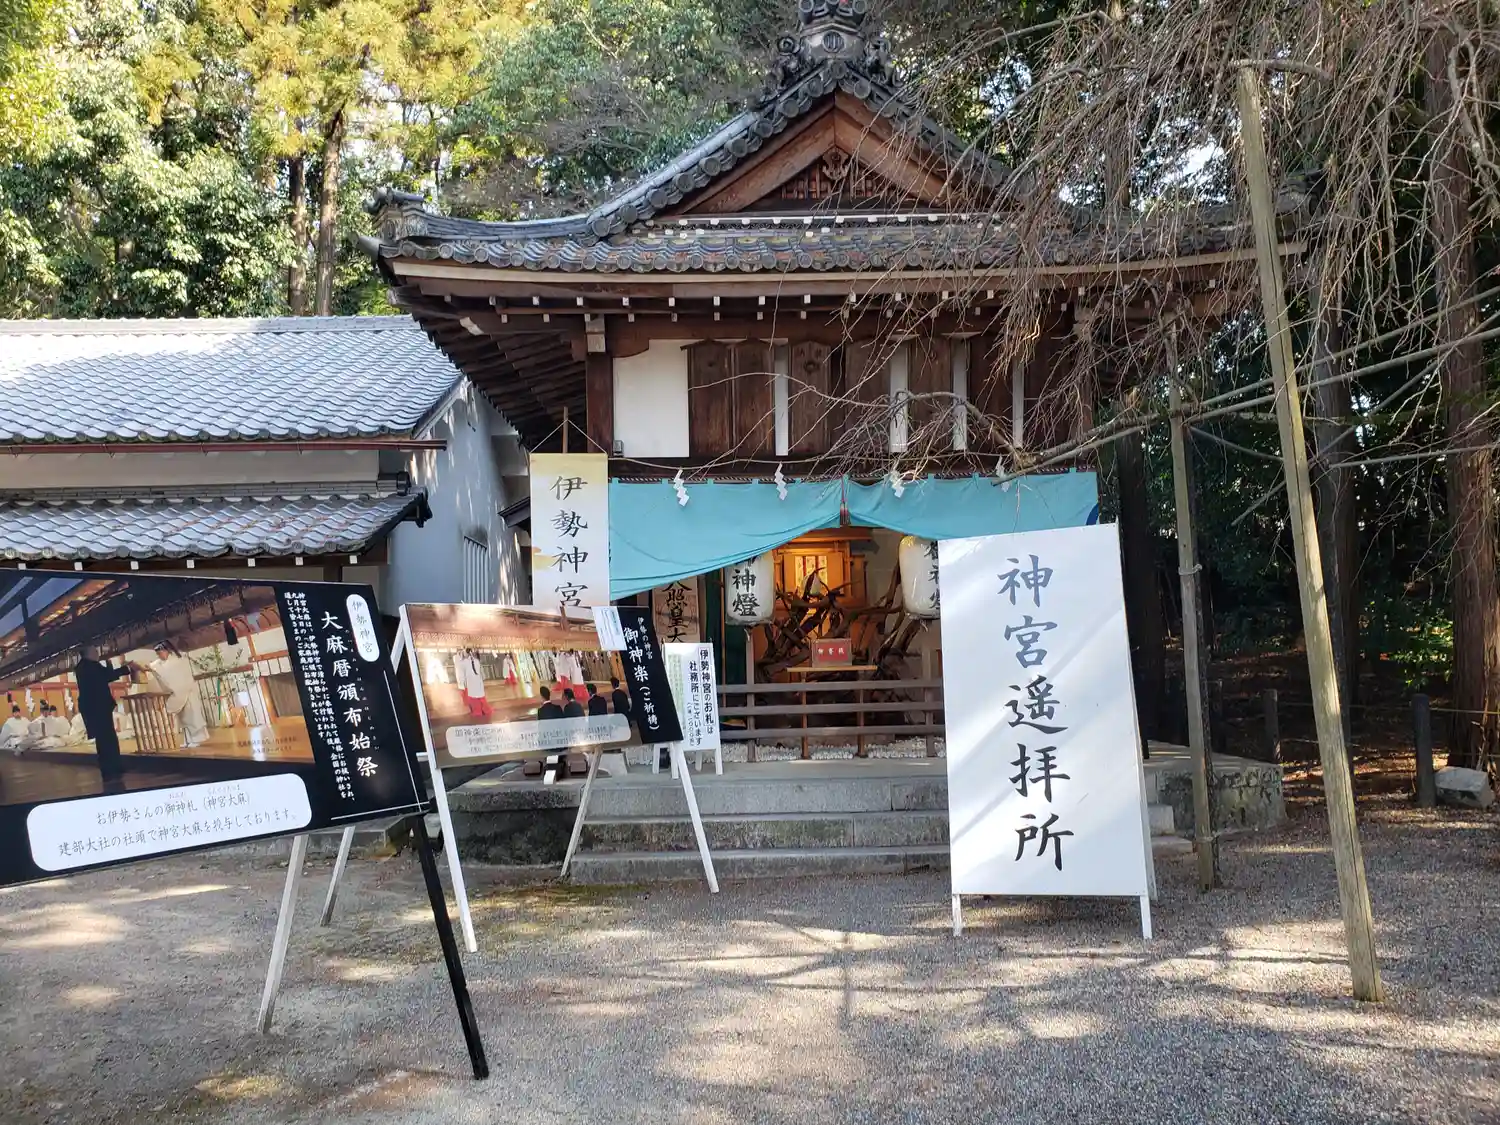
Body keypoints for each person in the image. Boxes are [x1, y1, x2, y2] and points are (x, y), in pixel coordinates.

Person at [74, 646, 134, 790]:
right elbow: (107, 676)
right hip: (97, 706)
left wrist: (109, 663)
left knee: (105, 738)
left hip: (94, 707)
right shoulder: (89, 666)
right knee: (107, 738)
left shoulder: (83, 666)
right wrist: (126, 669)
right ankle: (111, 767)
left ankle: (111, 766)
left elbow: (105, 675)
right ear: (88, 653)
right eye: (95, 652)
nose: (97, 654)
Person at [148, 641, 209, 748]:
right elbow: (156, 668)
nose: (159, 656)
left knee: (192, 716)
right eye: (158, 654)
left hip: (188, 692)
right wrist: (149, 667)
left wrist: (154, 669)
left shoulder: (177, 660)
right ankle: (188, 740)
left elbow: (171, 674)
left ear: (167, 650)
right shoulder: (163, 662)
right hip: (179, 692)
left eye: (160, 653)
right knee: (184, 719)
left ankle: (197, 739)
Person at [453, 647, 492, 719]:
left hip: (470, 683)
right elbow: (481, 672)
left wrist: (461, 683)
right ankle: (486, 710)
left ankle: (478, 712)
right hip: (478, 682)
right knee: (481, 698)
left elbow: (461, 674)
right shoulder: (476, 661)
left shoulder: (463, 663)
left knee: (474, 699)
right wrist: (483, 678)